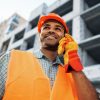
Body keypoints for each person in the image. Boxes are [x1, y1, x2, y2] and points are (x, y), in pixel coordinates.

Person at [0, 13, 99, 100]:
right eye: (46, 27)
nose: (51, 31)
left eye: (57, 29)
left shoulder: (74, 75)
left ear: (65, 37)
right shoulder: (12, 58)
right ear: (40, 34)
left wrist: (73, 59)